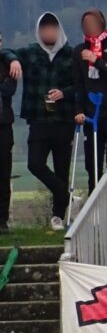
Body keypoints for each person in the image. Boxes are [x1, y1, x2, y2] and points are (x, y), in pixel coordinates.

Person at [9, 13, 79, 229]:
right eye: (44, 29)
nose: (48, 33)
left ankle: (58, 216)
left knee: (62, 167)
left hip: (64, 119)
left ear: (59, 31)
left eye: (52, 29)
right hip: (38, 119)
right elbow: (5, 52)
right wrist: (12, 60)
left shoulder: (71, 54)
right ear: (39, 32)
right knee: (35, 163)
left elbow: (81, 86)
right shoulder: (30, 53)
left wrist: (64, 93)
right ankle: (65, 194)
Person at [72, 8, 107, 187]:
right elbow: (78, 84)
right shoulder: (79, 51)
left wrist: (97, 61)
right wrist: (79, 110)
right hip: (91, 115)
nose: (89, 28)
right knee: (92, 163)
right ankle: (94, 202)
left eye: (92, 24)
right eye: (85, 25)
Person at [0, 33, 14, 232]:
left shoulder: (9, 64)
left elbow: (8, 90)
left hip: (3, 126)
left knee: (3, 175)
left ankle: (2, 221)